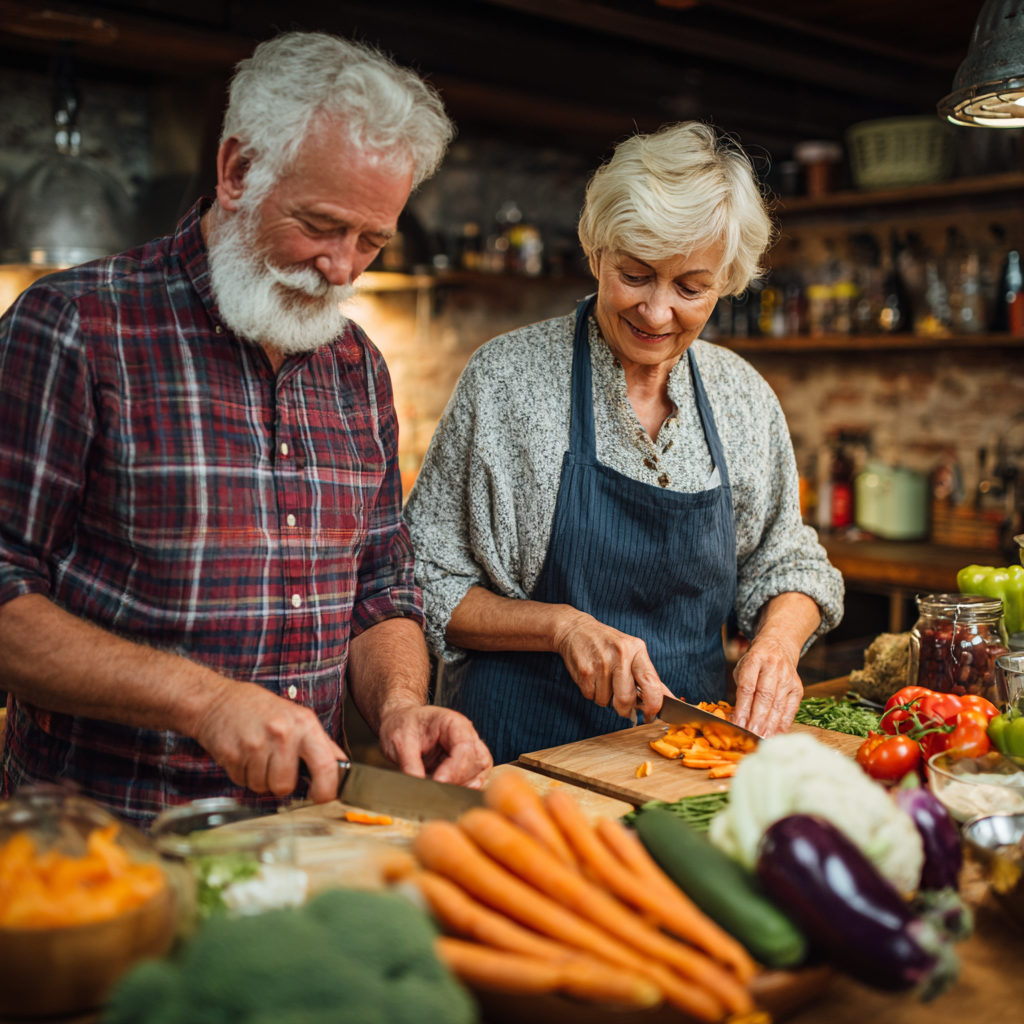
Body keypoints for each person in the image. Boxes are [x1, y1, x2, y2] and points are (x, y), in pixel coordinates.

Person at [0, 32, 491, 825]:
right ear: (236, 172)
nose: (344, 268)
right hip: (107, 844)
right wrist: (201, 700)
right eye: (322, 224)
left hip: (309, 829)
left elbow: (380, 587)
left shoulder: (358, 366)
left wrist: (401, 705)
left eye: (372, 240)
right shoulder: (75, 327)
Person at [404, 123, 844, 765]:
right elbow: (422, 578)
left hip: (685, 760)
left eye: (691, 288)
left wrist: (777, 643)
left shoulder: (743, 399)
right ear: (597, 253)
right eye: (635, 275)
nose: (657, 313)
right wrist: (561, 627)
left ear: (725, 281)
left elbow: (788, 566)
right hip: (515, 760)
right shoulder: (506, 382)